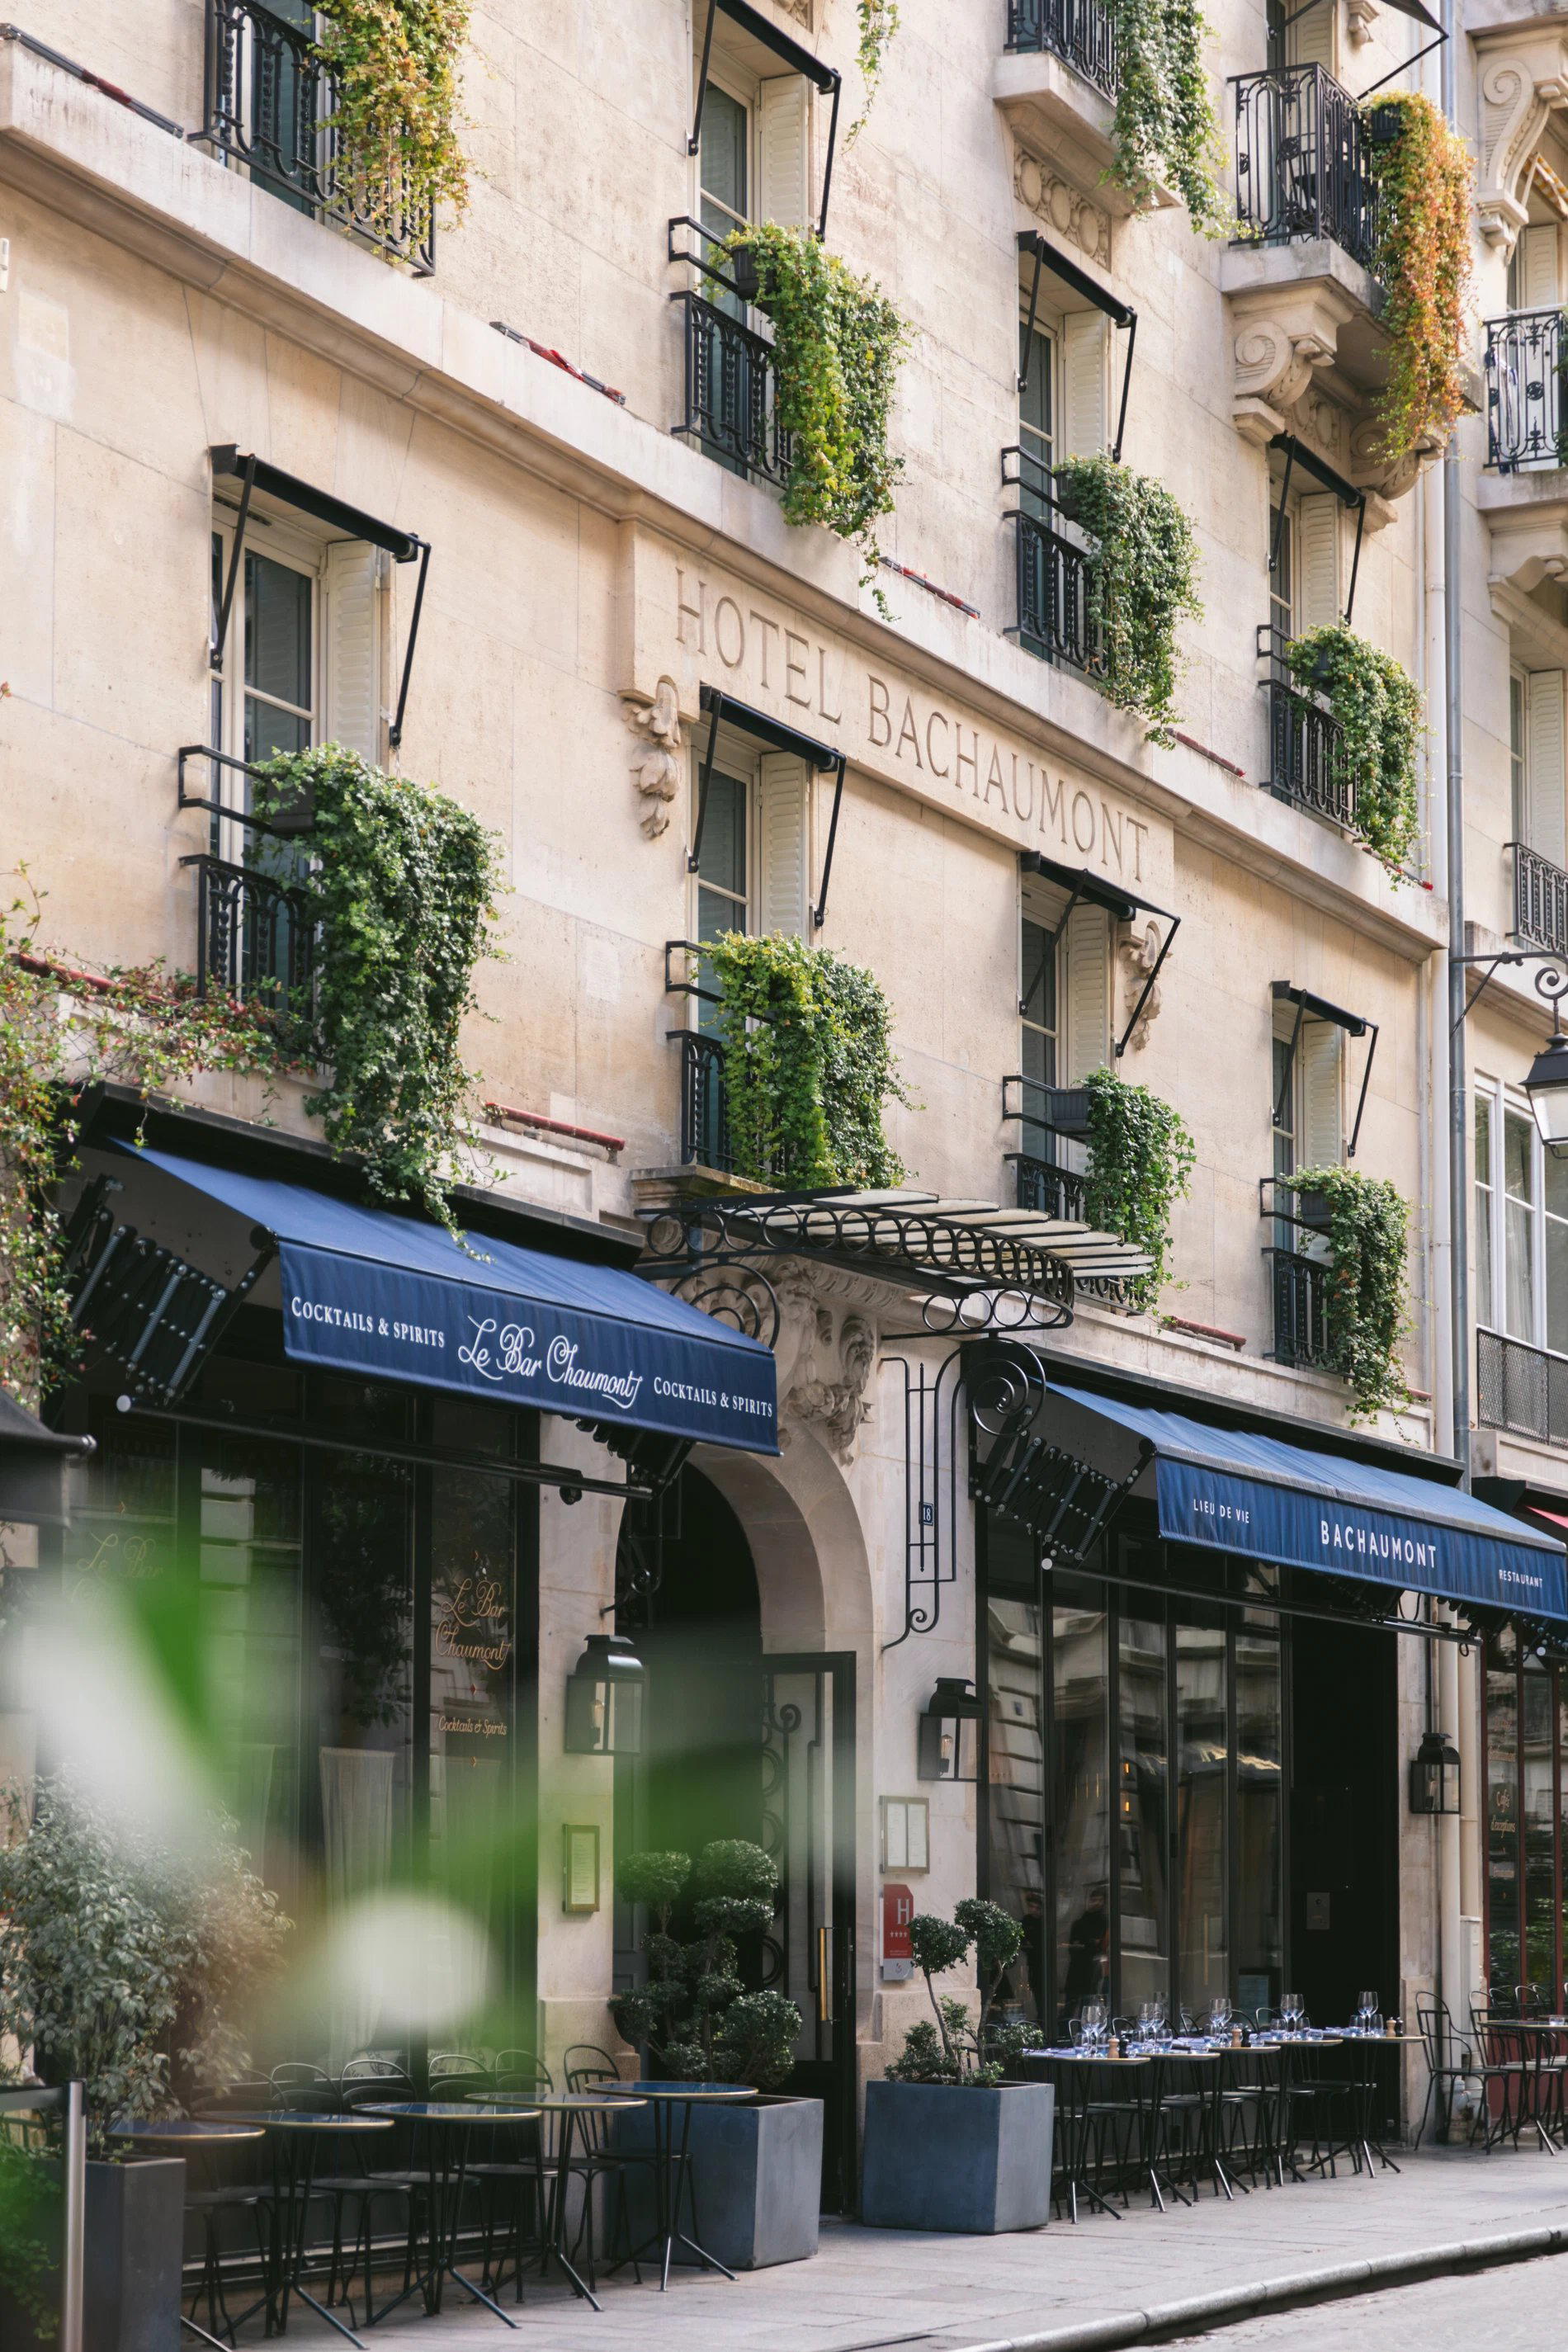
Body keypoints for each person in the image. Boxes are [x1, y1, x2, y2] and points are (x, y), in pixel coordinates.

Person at [1061, 1882, 1109, 2021]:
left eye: (1100, 1900)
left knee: (1088, 2007)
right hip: (1079, 1969)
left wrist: (1089, 1945)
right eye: (1094, 1900)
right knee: (1072, 2006)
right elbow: (1075, 1947)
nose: (1097, 1904)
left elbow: (1098, 1946)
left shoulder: (1104, 1922)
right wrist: (1090, 1944)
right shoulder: (1080, 1923)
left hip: (1092, 1970)